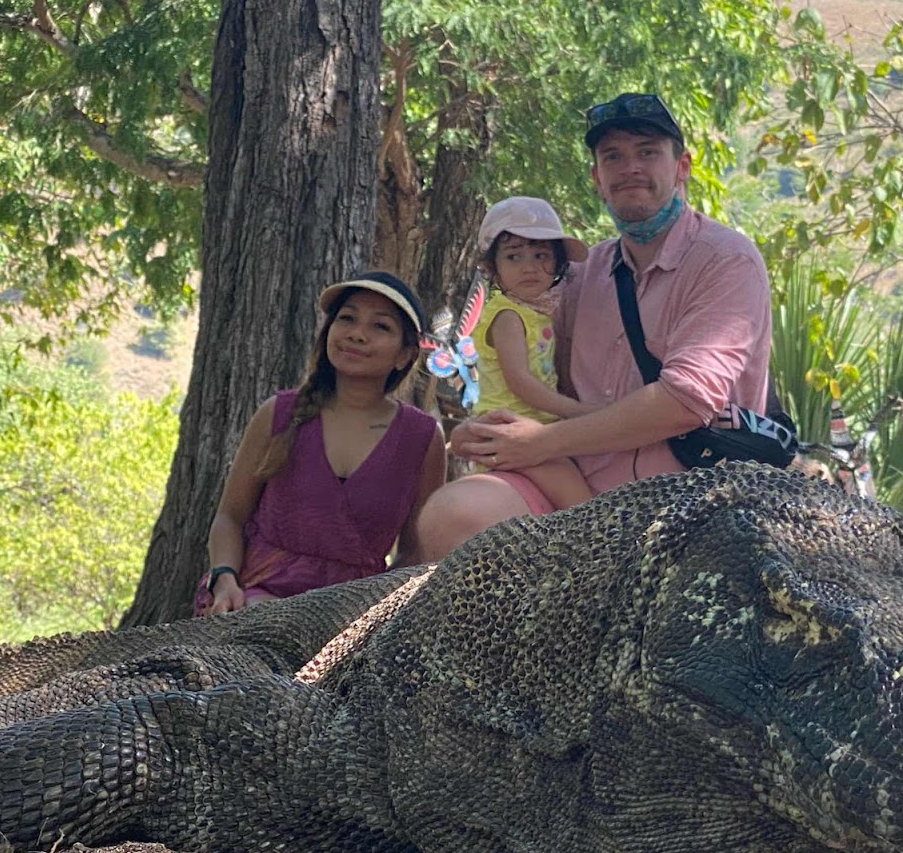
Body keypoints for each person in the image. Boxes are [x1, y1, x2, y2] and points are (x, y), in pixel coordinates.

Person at [414, 92, 771, 560]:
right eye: (613, 157)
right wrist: (484, 431)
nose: (630, 168)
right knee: (453, 514)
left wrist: (539, 443)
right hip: (576, 487)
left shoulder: (726, 261)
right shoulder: (579, 275)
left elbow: (688, 400)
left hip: (691, 499)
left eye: (647, 152)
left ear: (681, 166)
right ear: (597, 179)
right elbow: (532, 373)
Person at [197, 271, 445, 615]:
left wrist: (375, 620)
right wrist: (224, 578)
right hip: (252, 600)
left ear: (404, 355)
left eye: (380, 326)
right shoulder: (278, 414)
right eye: (347, 318)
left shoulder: (423, 438)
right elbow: (229, 517)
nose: (357, 334)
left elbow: (414, 553)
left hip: (351, 617)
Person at [465, 195, 594, 511]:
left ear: (558, 265)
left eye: (541, 255)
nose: (529, 267)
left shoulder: (536, 312)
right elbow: (520, 381)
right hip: (509, 428)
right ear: (491, 268)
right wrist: (581, 412)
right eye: (513, 256)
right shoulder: (507, 315)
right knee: (583, 504)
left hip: (533, 427)